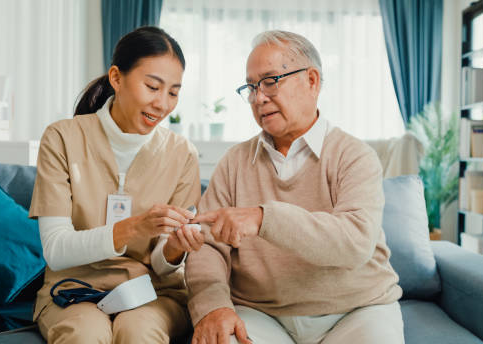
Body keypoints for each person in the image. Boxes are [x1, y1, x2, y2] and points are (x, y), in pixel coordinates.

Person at [186, 30, 404, 344]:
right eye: (251, 87)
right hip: (261, 314)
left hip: (357, 311)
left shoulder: (355, 156)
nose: (259, 97)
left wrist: (263, 219)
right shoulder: (233, 162)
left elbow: (355, 241)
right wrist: (213, 306)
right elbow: (206, 246)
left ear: (312, 80)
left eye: (271, 81)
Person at [28, 26, 204, 343]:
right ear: (116, 78)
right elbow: (55, 250)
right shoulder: (62, 138)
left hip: (152, 292)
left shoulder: (182, 154)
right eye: (152, 87)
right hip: (74, 288)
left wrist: (176, 248)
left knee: (139, 333)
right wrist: (132, 229)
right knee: (84, 334)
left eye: (173, 92)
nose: (162, 104)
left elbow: (164, 266)